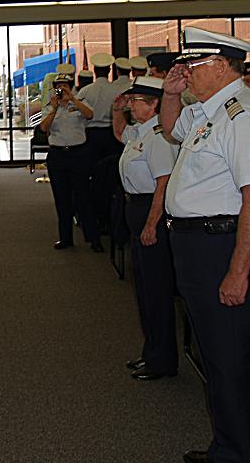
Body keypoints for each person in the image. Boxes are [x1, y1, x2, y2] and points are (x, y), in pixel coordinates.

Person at [159, 27, 250, 463]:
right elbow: (171, 130)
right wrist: (170, 94)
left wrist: (238, 271)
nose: (186, 71)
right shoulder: (209, 111)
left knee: (230, 360)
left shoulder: (242, 117)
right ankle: (229, 447)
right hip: (198, 247)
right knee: (217, 355)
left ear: (224, 66)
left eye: (195, 64)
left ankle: (243, 454)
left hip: (221, 246)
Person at [111, 76, 179, 382]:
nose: (131, 105)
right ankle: (151, 352)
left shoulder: (159, 137)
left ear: (154, 104)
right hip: (136, 209)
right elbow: (119, 133)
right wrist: (117, 110)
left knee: (156, 291)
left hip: (151, 210)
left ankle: (162, 359)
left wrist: (152, 224)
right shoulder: (141, 132)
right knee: (144, 288)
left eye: (136, 100)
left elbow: (163, 184)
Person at [40, 71, 95, 250]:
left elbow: (89, 115)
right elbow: (44, 128)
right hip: (58, 156)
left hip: (79, 154)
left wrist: (72, 99)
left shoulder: (79, 102)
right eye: (58, 87)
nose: (61, 89)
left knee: (83, 197)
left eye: (65, 86)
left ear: (71, 88)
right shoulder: (50, 106)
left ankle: (92, 238)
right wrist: (55, 108)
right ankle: (65, 238)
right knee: (61, 198)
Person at [77, 52, 124, 251]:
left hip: (91, 138)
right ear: (110, 70)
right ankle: (111, 222)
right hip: (112, 137)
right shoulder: (117, 90)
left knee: (90, 180)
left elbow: (76, 112)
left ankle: (94, 222)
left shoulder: (86, 91)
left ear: (95, 71)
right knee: (111, 180)